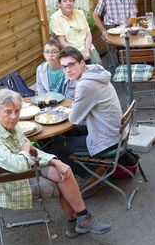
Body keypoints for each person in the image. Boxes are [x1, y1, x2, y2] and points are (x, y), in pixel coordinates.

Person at [0, 88, 110, 237]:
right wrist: (26, 149)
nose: (14, 116)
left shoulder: (12, 125)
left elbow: (33, 151)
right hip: (7, 185)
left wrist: (55, 161)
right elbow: (18, 165)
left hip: (23, 170)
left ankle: (82, 219)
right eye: (8, 112)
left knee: (64, 171)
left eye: (17, 111)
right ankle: (76, 224)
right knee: (63, 184)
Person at [44, 47, 122, 176]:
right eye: (64, 67)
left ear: (82, 63)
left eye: (71, 64)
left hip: (107, 141)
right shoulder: (95, 72)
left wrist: (74, 107)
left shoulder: (86, 84)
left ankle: (92, 174)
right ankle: (91, 169)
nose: (68, 70)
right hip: (113, 132)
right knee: (67, 133)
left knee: (55, 148)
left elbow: (74, 119)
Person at [49, 0, 101, 65]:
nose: (68, 3)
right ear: (59, 4)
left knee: (97, 64)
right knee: (78, 69)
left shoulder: (80, 13)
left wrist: (87, 49)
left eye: (71, 0)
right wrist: (78, 53)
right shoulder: (55, 18)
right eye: (65, 1)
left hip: (87, 47)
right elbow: (62, 42)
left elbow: (88, 34)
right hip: (70, 51)